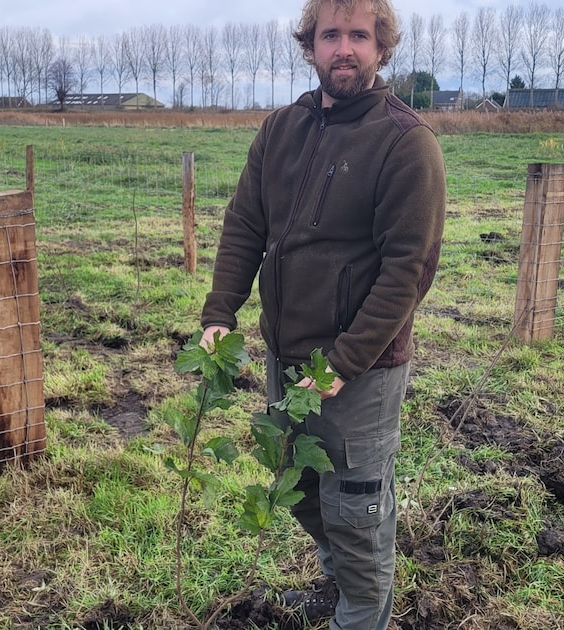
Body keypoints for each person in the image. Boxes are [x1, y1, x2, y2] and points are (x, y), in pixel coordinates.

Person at [197, 0, 446, 626]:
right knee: (302, 487)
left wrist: (343, 362)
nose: (344, 48)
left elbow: (407, 272)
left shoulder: (406, 143)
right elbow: (246, 225)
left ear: (382, 48)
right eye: (330, 34)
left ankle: (361, 608)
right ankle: (346, 588)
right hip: (287, 356)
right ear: (309, 46)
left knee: (356, 508)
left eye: (359, 35)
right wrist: (221, 309)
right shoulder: (282, 129)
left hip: (360, 368)